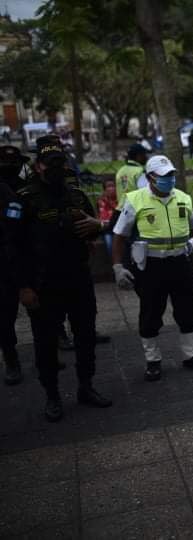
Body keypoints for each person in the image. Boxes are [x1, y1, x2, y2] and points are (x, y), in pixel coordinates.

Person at [14, 139, 112, 421]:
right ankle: (52, 396)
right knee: (45, 343)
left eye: (60, 161)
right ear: (38, 166)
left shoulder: (77, 196)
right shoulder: (26, 199)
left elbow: (93, 230)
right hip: (42, 283)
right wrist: (23, 286)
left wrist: (96, 227)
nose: (56, 167)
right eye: (50, 163)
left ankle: (86, 386)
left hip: (78, 278)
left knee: (86, 336)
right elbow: (14, 247)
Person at [111, 155, 193, 381]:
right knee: (150, 312)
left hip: (181, 262)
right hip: (151, 267)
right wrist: (118, 266)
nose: (170, 179)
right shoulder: (135, 199)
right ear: (150, 178)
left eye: (171, 175)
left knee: (187, 309)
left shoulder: (183, 198)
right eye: (164, 176)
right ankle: (153, 360)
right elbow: (119, 235)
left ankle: (191, 355)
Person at [0, 145, 27, 385]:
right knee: (4, 315)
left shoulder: (25, 186)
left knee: (42, 309)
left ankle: (50, 348)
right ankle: (11, 359)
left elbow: (16, 214)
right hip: (4, 262)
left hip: (26, 255)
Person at [115, 144, 148, 210]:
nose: (146, 157)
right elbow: (145, 192)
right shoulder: (140, 171)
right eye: (144, 155)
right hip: (134, 210)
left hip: (120, 209)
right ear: (139, 156)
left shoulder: (120, 170)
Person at [97, 178, 117, 256]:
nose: (111, 188)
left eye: (113, 186)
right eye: (108, 186)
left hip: (118, 228)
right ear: (104, 189)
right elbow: (101, 216)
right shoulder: (101, 200)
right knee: (109, 245)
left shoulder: (120, 199)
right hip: (107, 228)